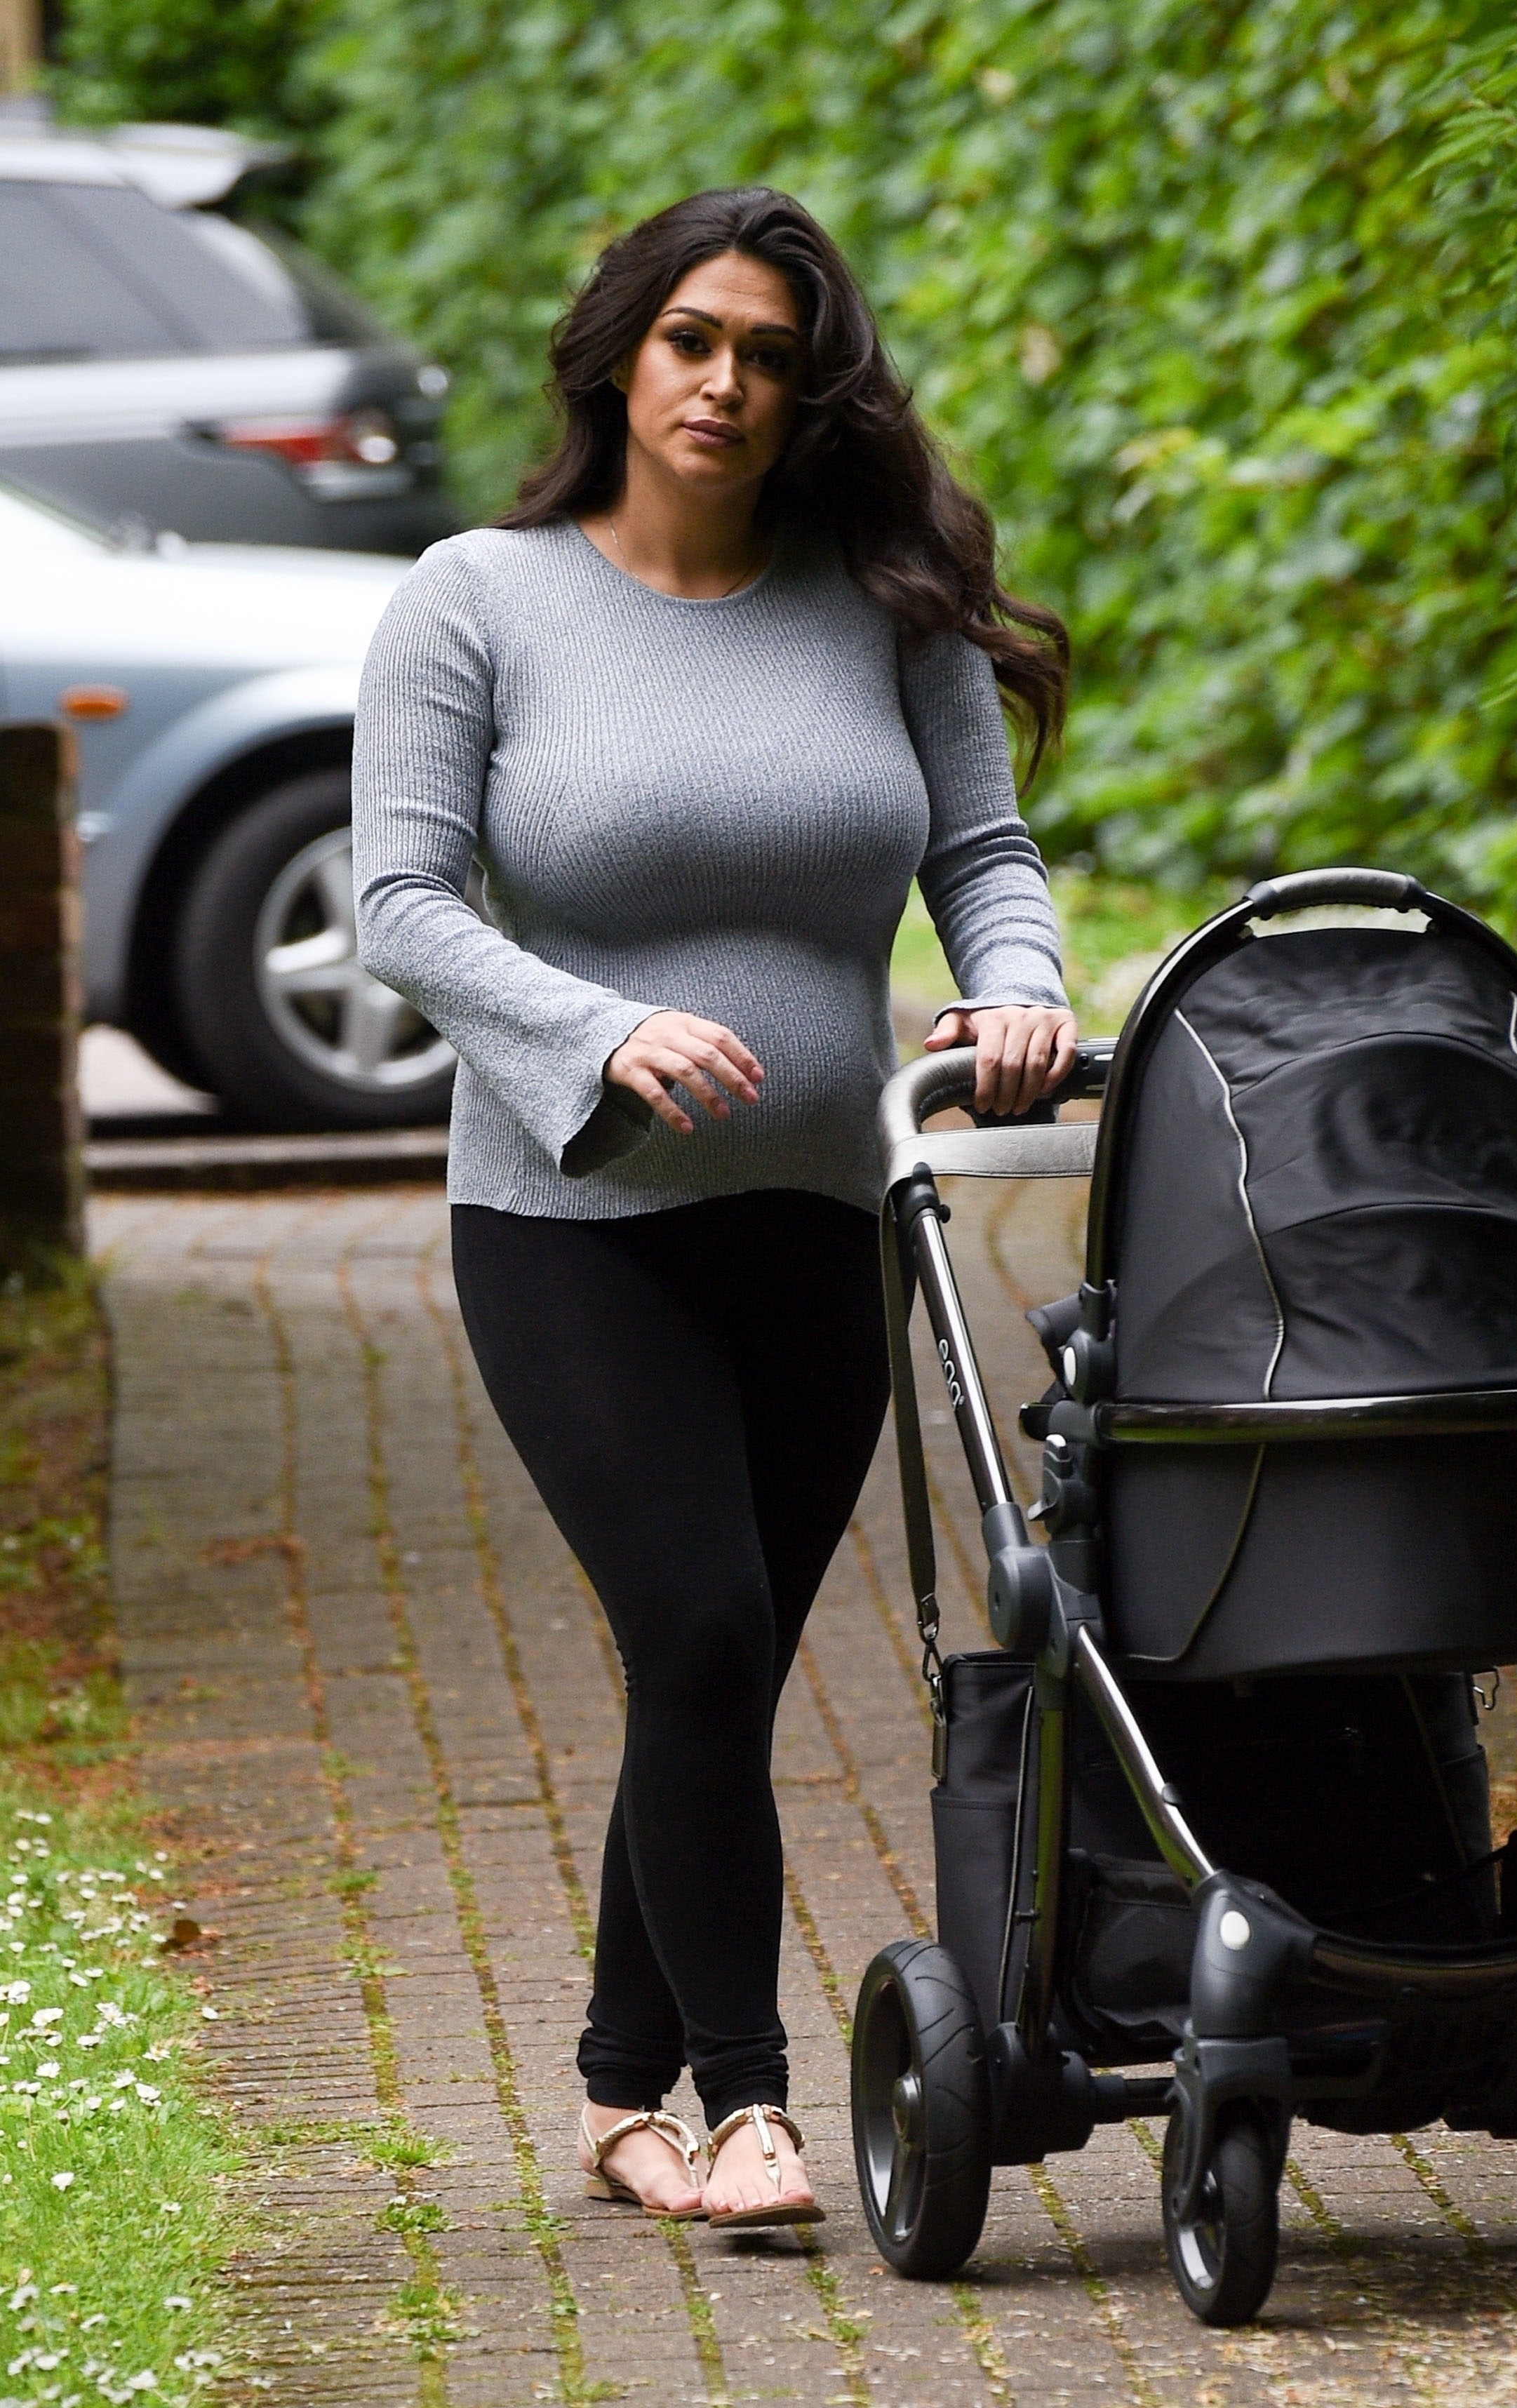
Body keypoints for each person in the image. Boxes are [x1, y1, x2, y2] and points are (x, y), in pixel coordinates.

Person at [351, 187, 1077, 2228]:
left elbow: (985, 853)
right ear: (619, 355)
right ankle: (752, 2103)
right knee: (699, 1620)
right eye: (693, 339)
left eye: (768, 352)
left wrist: (1019, 988)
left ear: (806, 388)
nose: (727, 383)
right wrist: (597, 1032)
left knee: (716, 1672)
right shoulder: (478, 600)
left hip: (820, 1218)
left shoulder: (883, 601)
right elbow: (397, 900)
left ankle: (616, 2091)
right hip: (571, 1222)